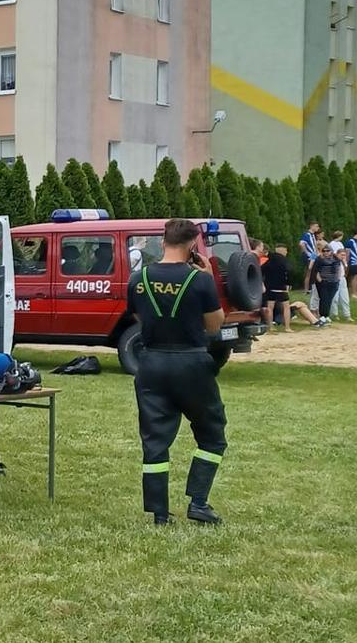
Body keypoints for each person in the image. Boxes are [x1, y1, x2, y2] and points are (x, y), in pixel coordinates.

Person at [129, 218, 228, 525]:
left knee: (155, 440)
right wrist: (209, 278)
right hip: (191, 363)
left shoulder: (138, 278)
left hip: (151, 364)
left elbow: (138, 317)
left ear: (163, 240)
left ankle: (160, 514)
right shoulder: (200, 280)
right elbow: (214, 325)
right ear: (192, 245)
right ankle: (198, 502)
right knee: (212, 436)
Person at [324, 237, 352, 323]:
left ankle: (347, 315)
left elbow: (346, 270)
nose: (343, 256)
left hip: (342, 279)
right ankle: (334, 314)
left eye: (344, 255)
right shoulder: (333, 261)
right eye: (342, 255)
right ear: (337, 254)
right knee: (334, 298)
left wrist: (344, 262)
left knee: (345, 298)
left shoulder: (343, 262)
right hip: (334, 280)